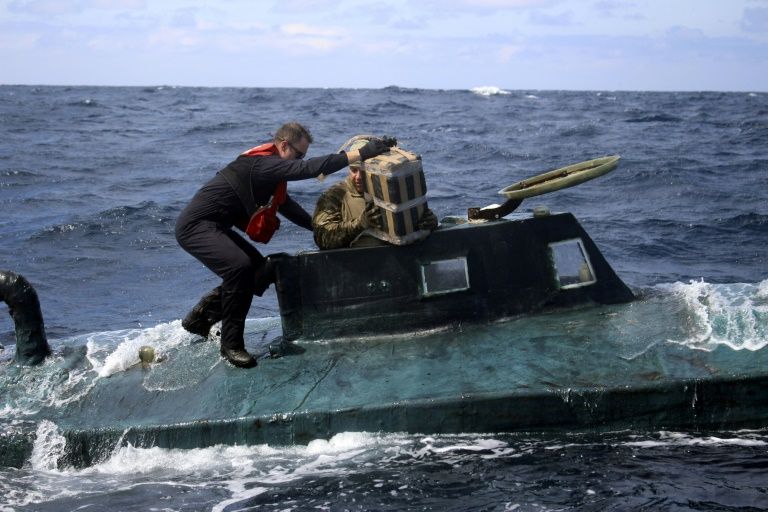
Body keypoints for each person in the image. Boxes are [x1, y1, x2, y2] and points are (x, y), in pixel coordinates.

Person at [175, 122, 391, 368]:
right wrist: (362, 152)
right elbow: (308, 169)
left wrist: (318, 228)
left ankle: (201, 318)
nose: (299, 160)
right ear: (284, 145)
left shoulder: (271, 174)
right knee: (239, 267)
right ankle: (231, 345)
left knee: (261, 268)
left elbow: (286, 206)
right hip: (196, 226)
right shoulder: (262, 165)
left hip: (214, 226)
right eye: (298, 155)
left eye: (302, 156)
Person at [312, 142, 438, 250]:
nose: (358, 177)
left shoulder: (394, 191)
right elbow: (322, 238)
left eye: (364, 171)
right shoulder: (334, 196)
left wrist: (428, 223)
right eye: (354, 170)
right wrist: (360, 224)